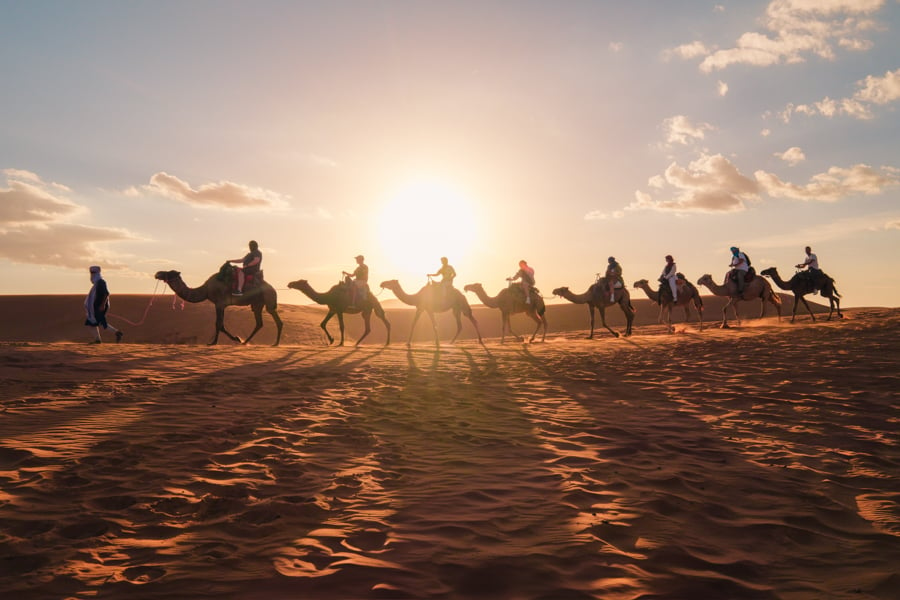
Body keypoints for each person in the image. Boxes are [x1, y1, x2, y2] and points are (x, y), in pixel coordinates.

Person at [84, 266, 123, 344]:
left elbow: (106, 294)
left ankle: (99, 339)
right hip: (96, 306)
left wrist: (102, 305)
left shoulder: (101, 282)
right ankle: (116, 333)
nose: (92, 275)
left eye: (93, 273)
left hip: (100, 306)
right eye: (91, 273)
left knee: (93, 322)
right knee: (96, 322)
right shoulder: (96, 284)